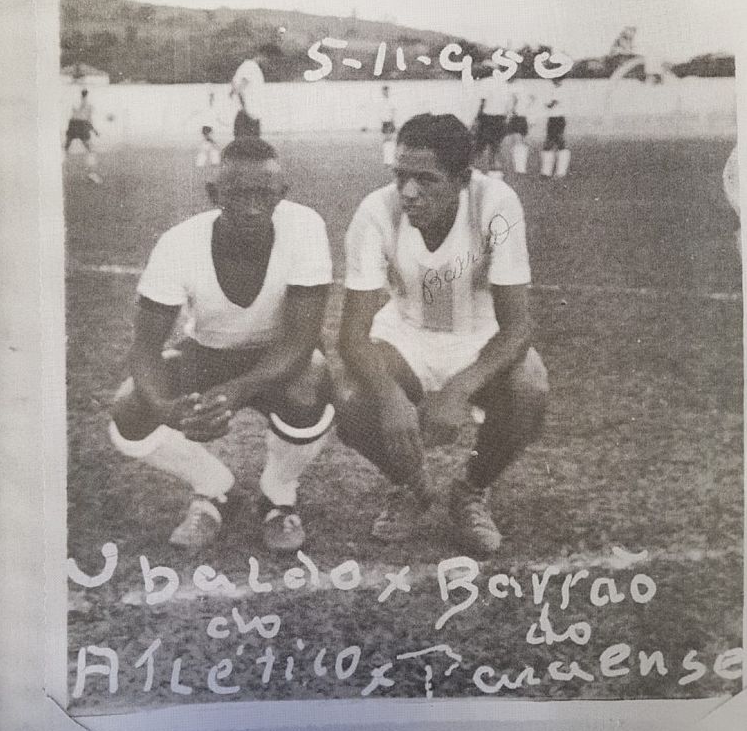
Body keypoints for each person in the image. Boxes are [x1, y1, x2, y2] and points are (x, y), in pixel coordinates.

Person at [108, 137, 335, 552]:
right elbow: (144, 349)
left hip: (281, 357)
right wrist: (166, 409)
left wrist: (238, 390)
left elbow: (303, 339)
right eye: (238, 194)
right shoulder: (179, 242)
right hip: (206, 355)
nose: (252, 207)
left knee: (312, 380)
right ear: (214, 194)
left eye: (264, 195)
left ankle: (279, 494)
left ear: (281, 194)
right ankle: (214, 488)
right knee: (129, 407)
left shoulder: (304, 227)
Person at [336, 113, 548, 554]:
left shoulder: (496, 204)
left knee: (528, 390)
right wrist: (392, 398)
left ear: (463, 178)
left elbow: (517, 327)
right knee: (352, 399)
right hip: (406, 334)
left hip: (480, 337)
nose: (409, 191)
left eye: (426, 179)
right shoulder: (376, 211)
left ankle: (471, 489)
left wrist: (459, 390)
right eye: (401, 175)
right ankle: (412, 488)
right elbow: (353, 335)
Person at [472, 77, 511, 178]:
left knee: (480, 145)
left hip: (488, 117)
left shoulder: (485, 82)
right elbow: (507, 103)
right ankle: (494, 170)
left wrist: (477, 117)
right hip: (500, 117)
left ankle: (476, 169)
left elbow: (482, 102)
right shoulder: (503, 82)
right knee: (495, 146)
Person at [64, 88, 102, 184]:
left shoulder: (75, 102)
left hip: (72, 124)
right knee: (91, 150)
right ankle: (92, 174)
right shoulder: (89, 105)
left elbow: (73, 114)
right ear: (87, 95)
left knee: (65, 148)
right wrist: (94, 131)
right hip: (82, 125)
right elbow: (88, 119)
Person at [540, 79, 570, 179]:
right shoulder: (553, 89)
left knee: (557, 142)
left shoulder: (561, 89)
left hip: (558, 118)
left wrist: (547, 102)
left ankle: (558, 172)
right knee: (551, 143)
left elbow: (550, 104)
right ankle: (548, 172)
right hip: (553, 118)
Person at [195, 125, 221, 206]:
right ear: (206, 134)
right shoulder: (205, 145)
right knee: (212, 188)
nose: (211, 135)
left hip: (216, 170)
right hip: (210, 170)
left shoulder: (213, 143)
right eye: (210, 133)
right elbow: (201, 161)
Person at [380, 85, 397, 167]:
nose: (384, 92)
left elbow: (393, 112)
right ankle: (387, 160)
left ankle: (391, 160)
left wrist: (393, 122)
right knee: (385, 141)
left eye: (386, 91)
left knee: (390, 140)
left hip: (389, 122)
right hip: (384, 122)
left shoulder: (391, 101)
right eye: (383, 91)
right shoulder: (381, 101)